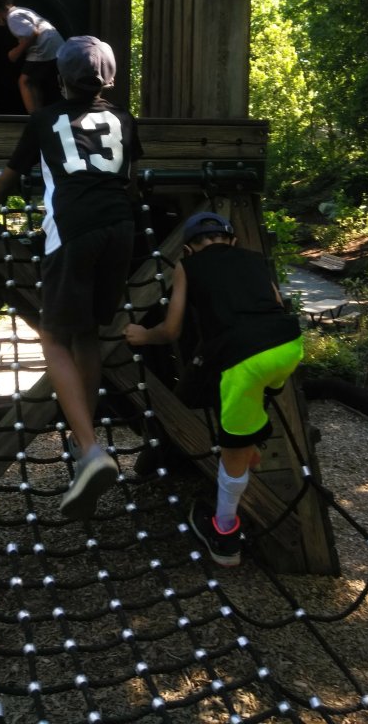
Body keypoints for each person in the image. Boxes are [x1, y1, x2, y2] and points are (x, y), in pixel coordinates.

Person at [0, 35, 142, 520]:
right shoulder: (124, 118)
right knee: (86, 333)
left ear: (60, 79)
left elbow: (10, 174)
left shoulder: (44, 120)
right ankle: (87, 437)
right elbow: (130, 177)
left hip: (74, 227)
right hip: (121, 228)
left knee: (52, 335)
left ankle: (90, 451)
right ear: (110, 79)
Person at [124, 212, 303, 567]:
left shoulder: (187, 265)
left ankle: (224, 534)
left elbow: (172, 330)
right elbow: (276, 303)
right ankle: (252, 441)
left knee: (232, 446)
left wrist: (143, 335)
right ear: (232, 240)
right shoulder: (254, 259)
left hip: (243, 359)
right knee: (259, 389)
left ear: (189, 248)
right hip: (289, 346)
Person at [0, 0, 65, 112]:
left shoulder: (12, 17)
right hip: (57, 47)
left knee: (24, 81)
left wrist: (15, 53)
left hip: (45, 48)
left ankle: (35, 117)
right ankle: (40, 111)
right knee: (34, 81)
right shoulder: (21, 11)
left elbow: (32, 33)